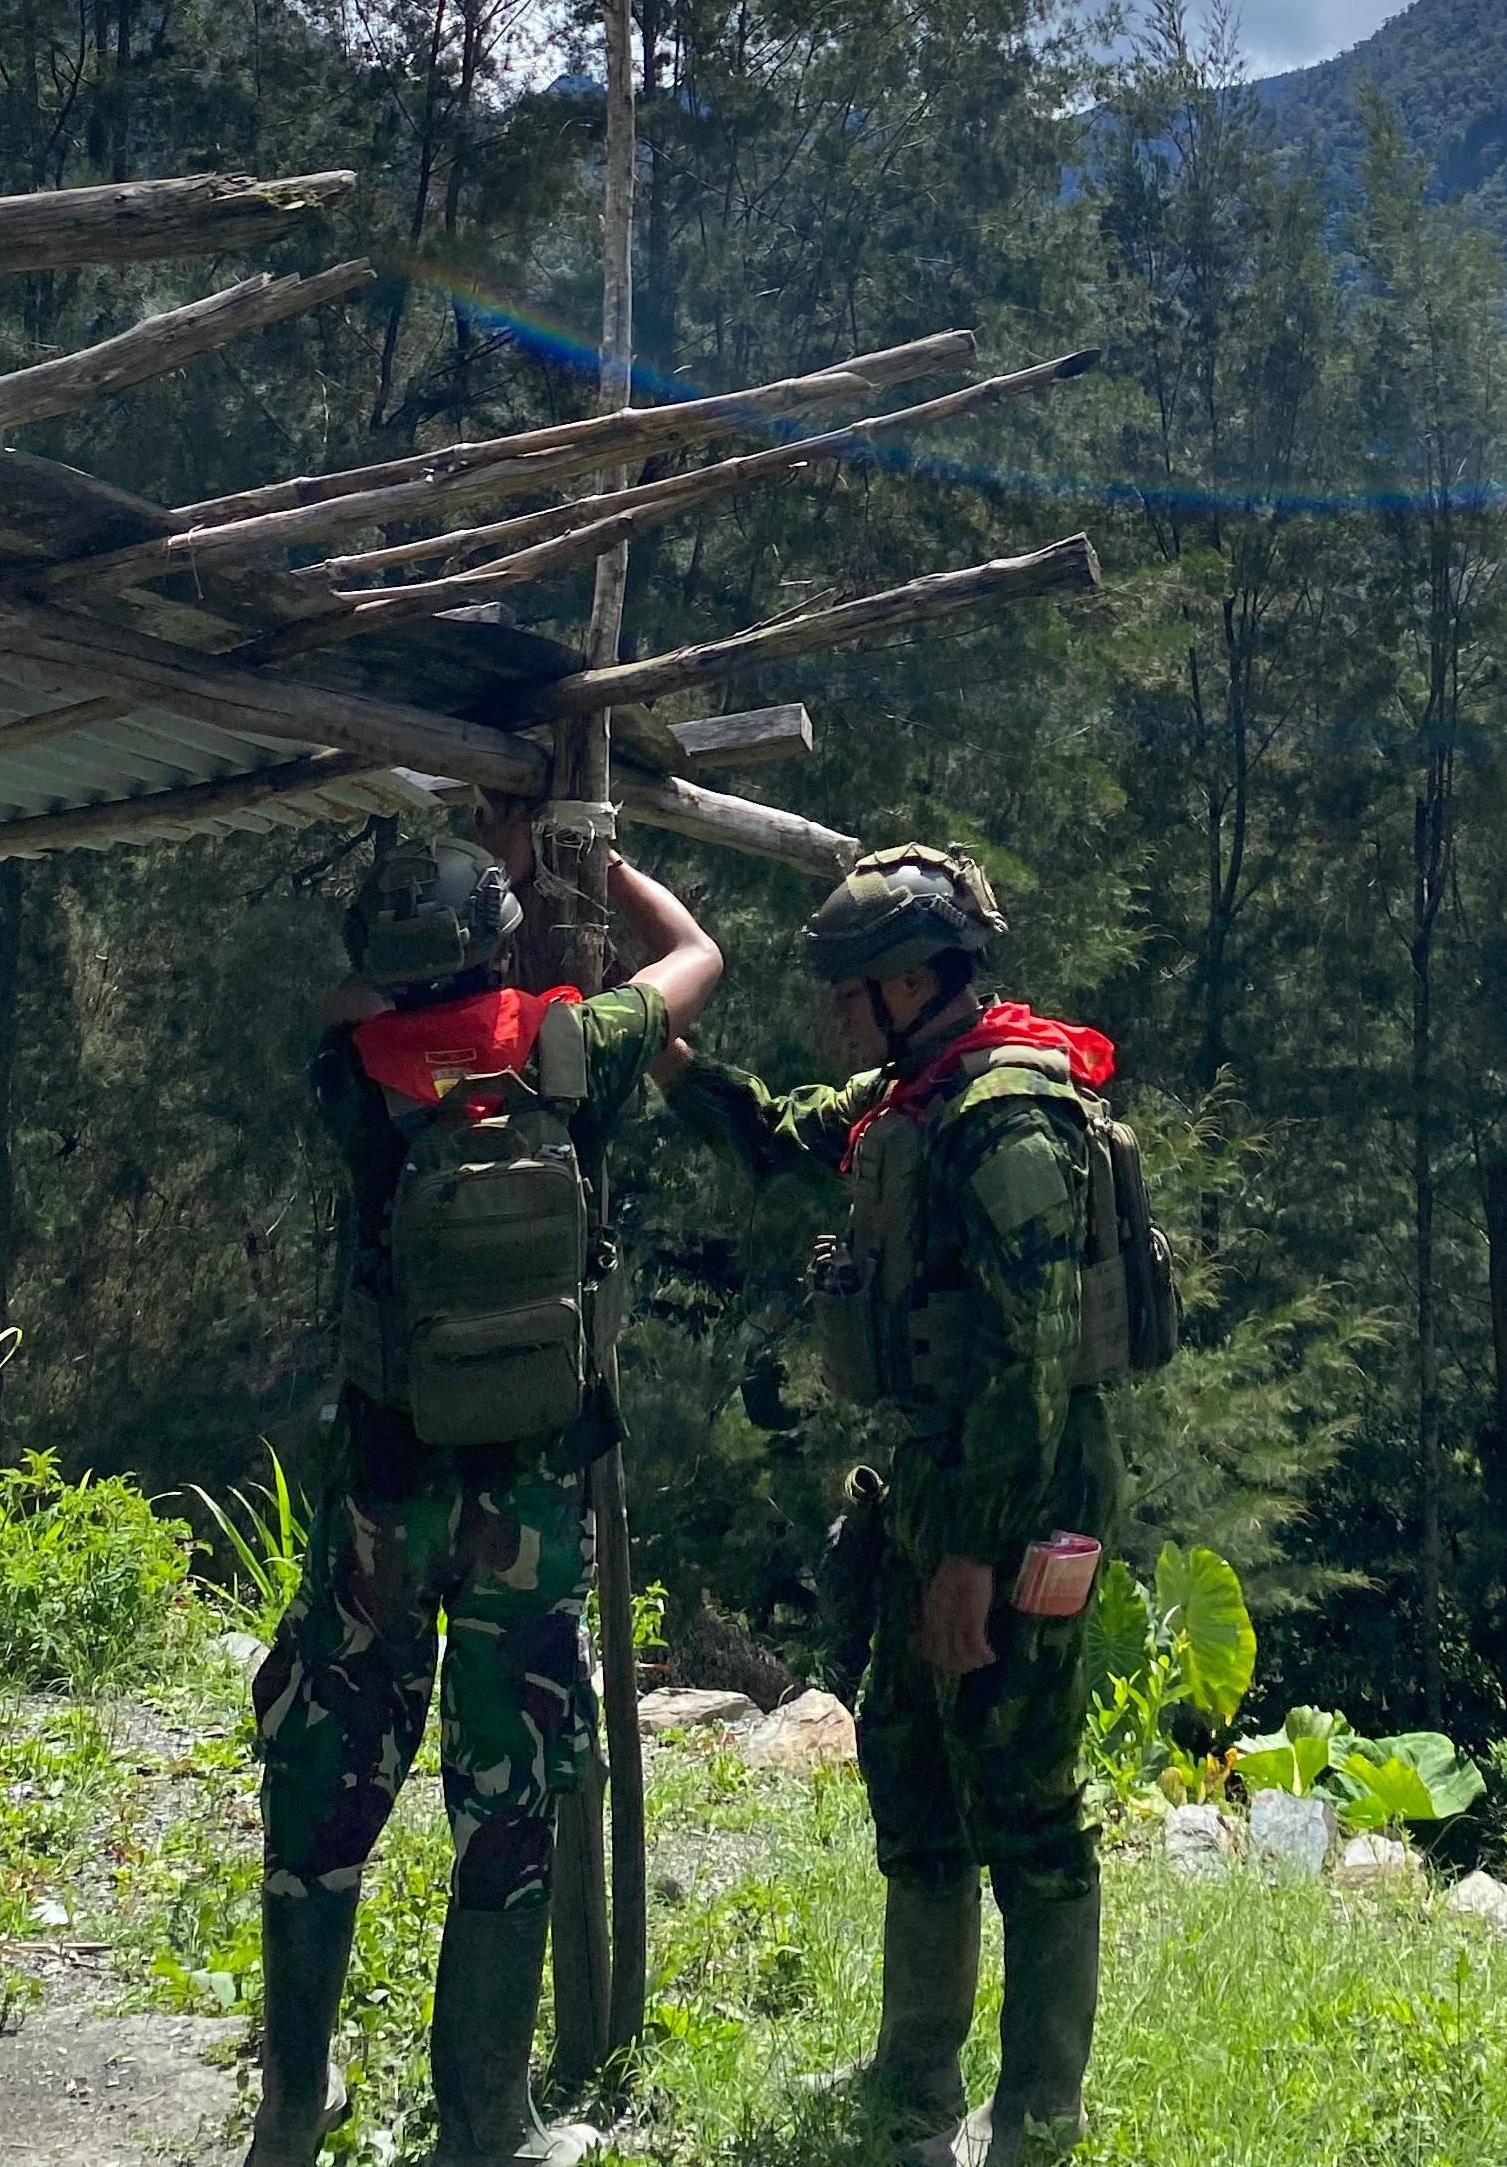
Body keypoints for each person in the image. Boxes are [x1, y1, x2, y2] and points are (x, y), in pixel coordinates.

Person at [248, 824, 721, 2167]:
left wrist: (384, 987)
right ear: (500, 933)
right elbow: (698, 957)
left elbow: (344, 1007)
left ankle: (293, 2110)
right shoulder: (571, 1046)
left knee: (331, 1766)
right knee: (508, 1792)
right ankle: (485, 2124)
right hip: (529, 1501)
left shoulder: (352, 1071)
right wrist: (599, 865)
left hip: (383, 1495)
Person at [665, 841, 1122, 2167]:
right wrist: (661, 1056)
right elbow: (775, 1136)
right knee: (911, 1771)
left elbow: (1034, 1365)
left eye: (847, 989)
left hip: (1031, 1501)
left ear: (913, 980)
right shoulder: (911, 1098)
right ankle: (915, 2083)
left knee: (1024, 1795)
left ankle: (1039, 2118)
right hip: (941, 1477)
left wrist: (977, 1559)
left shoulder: (1007, 1121)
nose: (828, 1013)